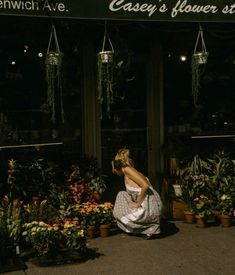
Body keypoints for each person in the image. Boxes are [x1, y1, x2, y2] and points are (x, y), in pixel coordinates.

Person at [112, 148, 162, 239]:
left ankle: (142, 227)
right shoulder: (129, 170)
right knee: (122, 194)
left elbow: (145, 186)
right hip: (151, 204)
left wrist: (138, 203)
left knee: (119, 202)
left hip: (150, 207)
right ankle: (145, 229)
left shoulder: (127, 170)